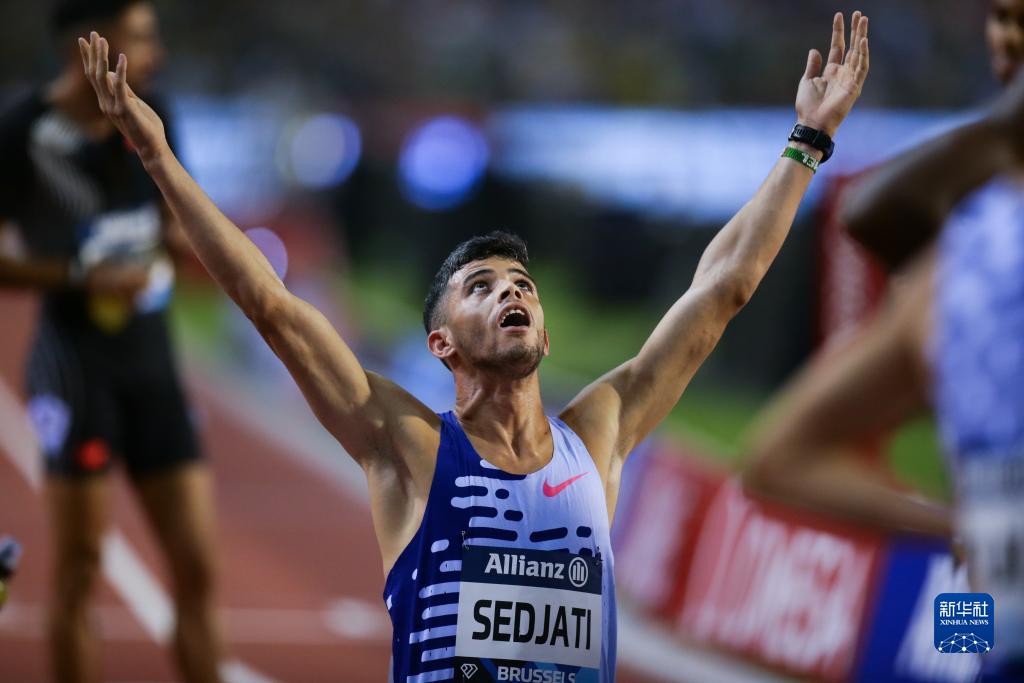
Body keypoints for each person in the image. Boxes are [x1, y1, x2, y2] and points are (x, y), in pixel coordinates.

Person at [77, 10, 869, 681]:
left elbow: (721, 290)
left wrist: (807, 140)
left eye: (521, 283)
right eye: (480, 287)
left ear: (545, 333)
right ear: (442, 343)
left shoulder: (598, 436)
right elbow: (269, 303)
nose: (510, 291)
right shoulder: (407, 445)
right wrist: (158, 159)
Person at [743, 2, 1024, 679]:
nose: (1009, 36)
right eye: (1001, 16)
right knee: (965, 648)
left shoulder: (951, 268)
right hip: (988, 625)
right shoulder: (955, 269)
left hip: (987, 617)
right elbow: (777, 457)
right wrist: (959, 524)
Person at [0, 2, 223, 681]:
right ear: (88, 43)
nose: (157, 53)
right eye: (143, 37)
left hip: (153, 365)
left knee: (197, 565)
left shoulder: (156, 114)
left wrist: (187, 243)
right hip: (76, 366)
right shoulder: (23, 130)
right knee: (80, 568)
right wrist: (81, 274)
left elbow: (176, 219)